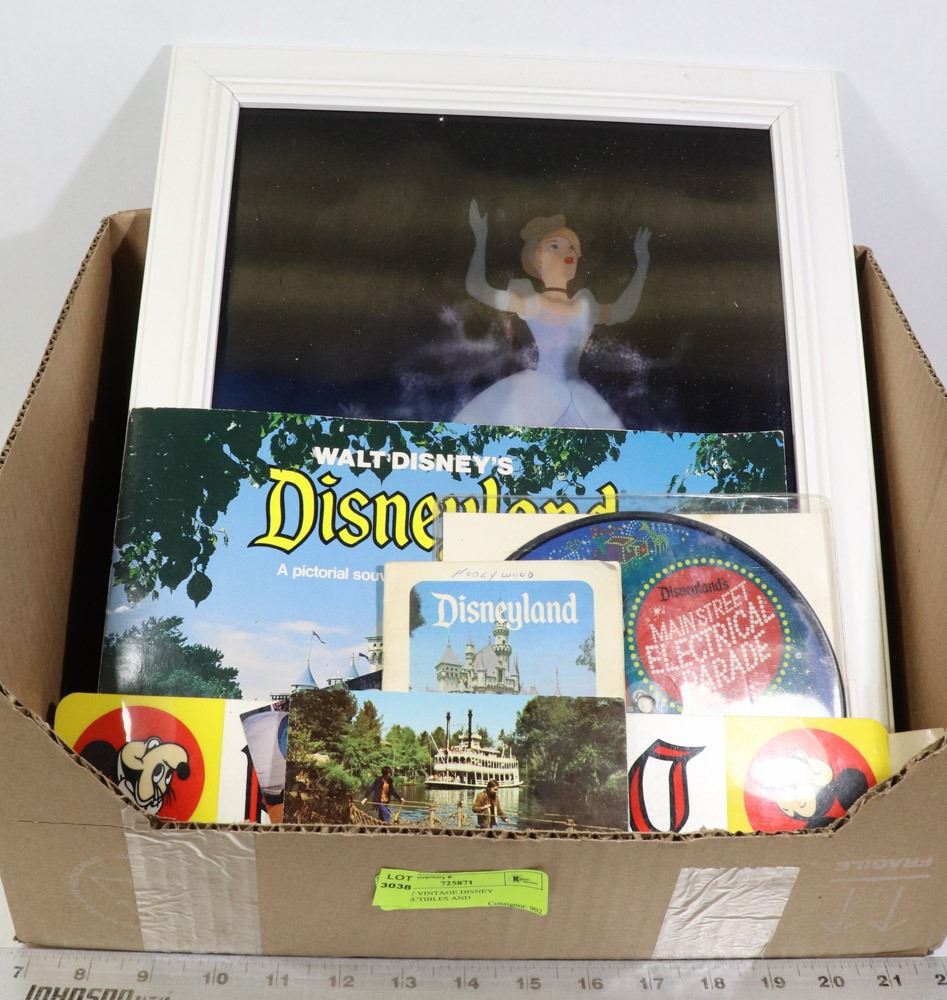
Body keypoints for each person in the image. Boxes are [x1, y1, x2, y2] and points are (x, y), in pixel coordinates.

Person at [455, 199, 651, 429]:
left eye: (571, 248)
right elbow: (477, 288)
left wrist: (642, 264)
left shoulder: (584, 306)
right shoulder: (531, 302)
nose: (566, 253)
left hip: (578, 397)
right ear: (537, 258)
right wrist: (480, 239)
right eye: (554, 246)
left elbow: (623, 310)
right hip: (536, 396)